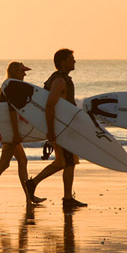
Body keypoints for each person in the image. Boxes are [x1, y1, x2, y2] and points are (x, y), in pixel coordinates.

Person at [25, 49, 87, 208]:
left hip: (64, 127)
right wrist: (51, 130)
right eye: (71, 59)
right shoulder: (59, 81)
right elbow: (50, 105)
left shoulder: (61, 79)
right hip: (61, 128)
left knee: (63, 162)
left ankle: (32, 183)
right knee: (69, 163)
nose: (74, 61)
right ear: (62, 62)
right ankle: (67, 199)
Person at [0, 62, 46, 205]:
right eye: (22, 71)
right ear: (14, 71)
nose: (25, 74)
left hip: (6, 129)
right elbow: (11, 111)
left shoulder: (9, 85)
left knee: (21, 161)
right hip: (8, 131)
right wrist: (15, 133)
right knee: (4, 164)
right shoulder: (11, 86)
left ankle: (28, 197)